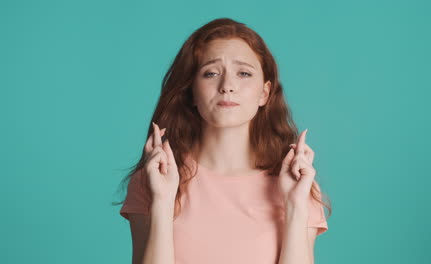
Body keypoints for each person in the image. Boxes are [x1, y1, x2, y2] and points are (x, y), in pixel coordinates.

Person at [117, 17, 331, 264]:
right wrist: (162, 203)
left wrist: (295, 206)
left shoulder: (298, 186)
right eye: (211, 73)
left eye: (243, 73)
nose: (227, 85)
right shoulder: (153, 180)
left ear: (264, 92)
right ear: (191, 92)